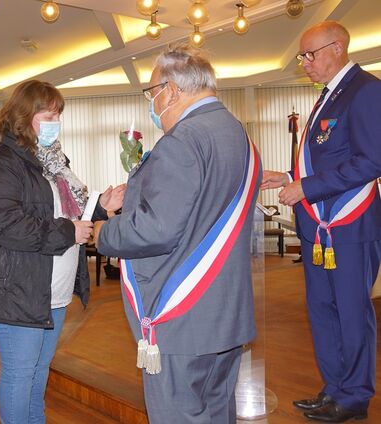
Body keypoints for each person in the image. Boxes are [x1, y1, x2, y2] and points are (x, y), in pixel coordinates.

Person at [94, 42, 261, 424]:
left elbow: (155, 228)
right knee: (218, 412)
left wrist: (104, 232)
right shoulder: (240, 136)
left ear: (171, 90)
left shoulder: (182, 141)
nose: (152, 104)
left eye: (152, 94)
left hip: (182, 319)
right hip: (225, 313)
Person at [0, 80, 124, 424]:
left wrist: (100, 207)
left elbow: (65, 212)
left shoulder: (53, 162)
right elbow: (4, 224)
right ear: (23, 116)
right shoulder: (0, 161)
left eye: (58, 113)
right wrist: (69, 231)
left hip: (51, 291)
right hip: (15, 291)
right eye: (48, 113)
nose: (56, 120)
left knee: (38, 376)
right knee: (19, 377)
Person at [261, 21, 381, 423]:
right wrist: (290, 180)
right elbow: (330, 160)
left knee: (351, 312)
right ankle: (334, 388)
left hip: (348, 227)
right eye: (302, 56)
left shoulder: (365, 91)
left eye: (310, 55)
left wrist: (306, 189)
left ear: (338, 48)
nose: (305, 63)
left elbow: (371, 161)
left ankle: (355, 396)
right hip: (319, 228)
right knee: (323, 310)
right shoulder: (327, 97)